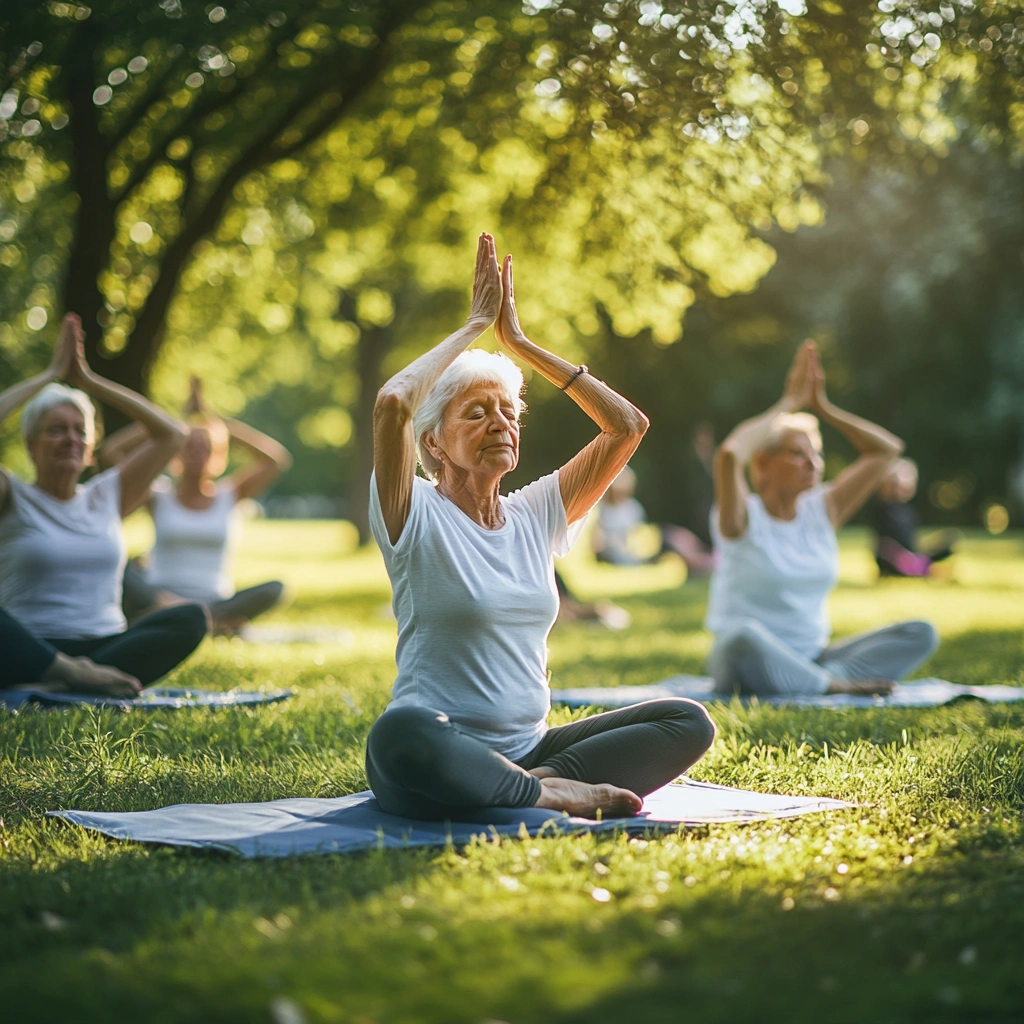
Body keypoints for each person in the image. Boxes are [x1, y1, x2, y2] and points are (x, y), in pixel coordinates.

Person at [365, 234, 716, 821]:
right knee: (399, 733)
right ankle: (544, 793)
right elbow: (394, 401)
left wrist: (521, 345)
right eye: (475, 414)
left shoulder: (535, 512)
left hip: (532, 749)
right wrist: (476, 325)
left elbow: (626, 426)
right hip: (435, 748)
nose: (499, 422)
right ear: (433, 443)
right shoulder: (412, 511)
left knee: (686, 720)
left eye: (508, 411)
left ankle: (535, 783)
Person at [706, 340, 939, 697]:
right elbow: (729, 455)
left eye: (816, 453)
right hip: (747, 660)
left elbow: (887, 450)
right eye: (798, 454)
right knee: (741, 636)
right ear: (763, 465)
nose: (813, 463)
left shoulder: (823, 508)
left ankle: (818, 682)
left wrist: (823, 407)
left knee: (921, 632)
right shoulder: (739, 516)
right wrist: (788, 404)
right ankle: (832, 686)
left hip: (814, 657)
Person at [0, 313, 208, 695]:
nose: (70, 439)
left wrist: (89, 381)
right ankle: (65, 673)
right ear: (30, 444)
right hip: (27, 646)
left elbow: (171, 434)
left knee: (191, 617)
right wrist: (47, 378)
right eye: (56, 429)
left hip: (104, 645)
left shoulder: (107, 494)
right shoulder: (11, 494)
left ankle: (74, 678)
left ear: (92, 449)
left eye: (80, 431)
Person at [101, 377, 292, 635]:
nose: (196, 453)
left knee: (276, 588)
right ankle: (208, 623)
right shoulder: (158, 495)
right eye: (188, 446)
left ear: (216, 454)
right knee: (118, 568)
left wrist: (213, 417)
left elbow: (276, 460)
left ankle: (202, 618)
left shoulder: (230, 494)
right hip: (159, 596)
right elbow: (112, 451)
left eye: (204, 447)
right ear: (176, 452)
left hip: (216, 601)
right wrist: (169, 423)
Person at [593, 465, 716, 576]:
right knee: (672, 544)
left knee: (676, 534)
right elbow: (600, 544)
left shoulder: (632, 506)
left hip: (641, 548)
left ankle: (705, 555)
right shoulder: (601, 510)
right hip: (629, 556)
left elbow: (640, 533)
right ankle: (706, 563)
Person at [873, 458, 955, 577]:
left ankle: (920, 566)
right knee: (889, 553)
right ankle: (919, 568)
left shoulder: (909, 511)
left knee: (948, 543)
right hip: (892, 558)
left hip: (911, 557)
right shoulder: (883, 506)